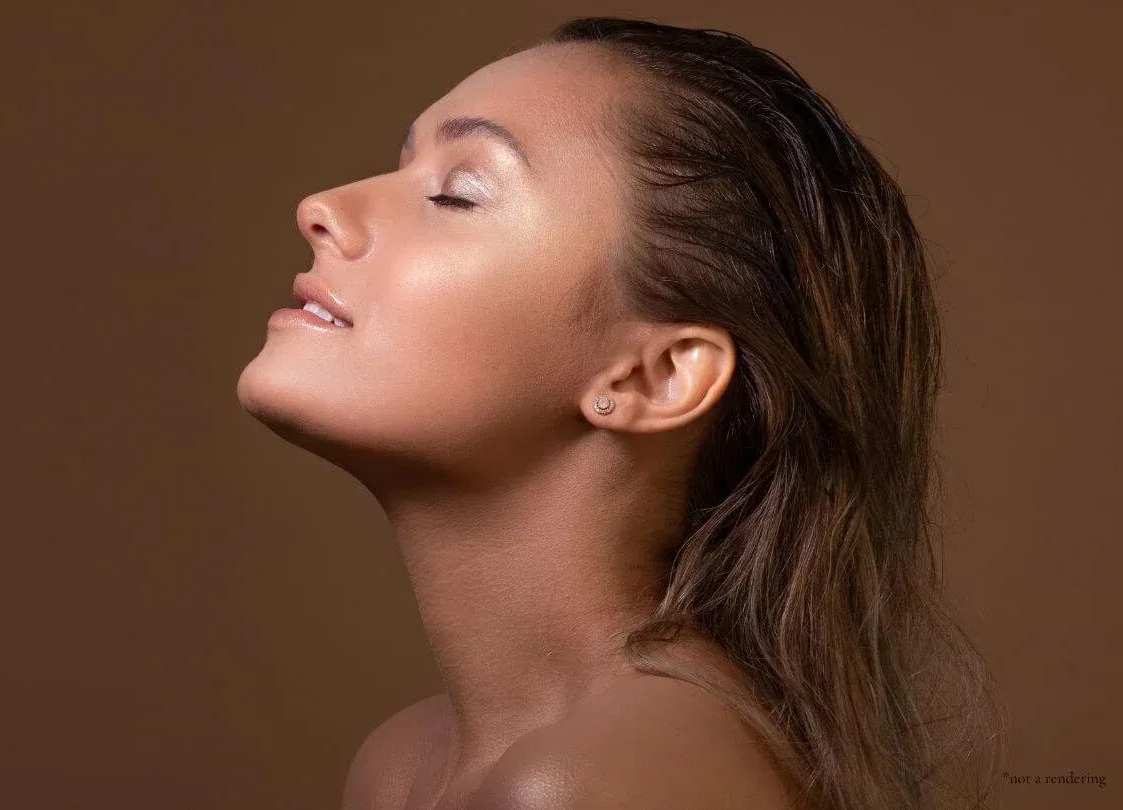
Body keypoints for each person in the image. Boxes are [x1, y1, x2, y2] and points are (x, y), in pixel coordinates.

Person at [236, 15, 1005, 810]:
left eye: (456, 193)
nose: (321, 207)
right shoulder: (401, 764)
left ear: (657, 376)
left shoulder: (594, 783)